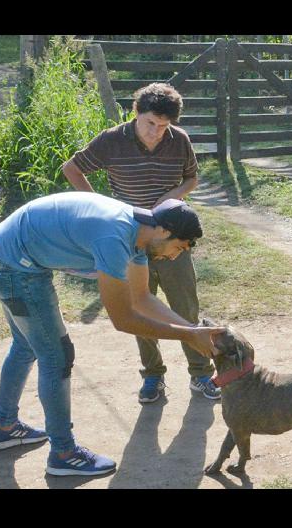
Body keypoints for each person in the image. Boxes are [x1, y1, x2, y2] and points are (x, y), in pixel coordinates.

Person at [0, 191, 225, 477]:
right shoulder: (115, 239)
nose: (175, 256)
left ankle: (5, 428)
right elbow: (124, 319)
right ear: (164, 231)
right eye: (180, 247)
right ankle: (63, 454)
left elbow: (142, 298)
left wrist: (193, 330)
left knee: (26, 347)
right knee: (57, 357)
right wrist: (185, 336)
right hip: (13, 268)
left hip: (6, 256)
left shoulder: (139, 233)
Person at [62, 82, 220, 404]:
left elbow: (192, 178)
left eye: (164, 126)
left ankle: (200, 374)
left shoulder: (180, 141)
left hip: (172, 237)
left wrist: (170, 197)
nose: (157, 132)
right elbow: (72, 168)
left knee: (185, 306)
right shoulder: (111, 140)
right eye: (151, 123)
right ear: (136, 113)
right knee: (139, 307)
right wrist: (100, 208)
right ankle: (153, 376)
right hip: (131, 239)